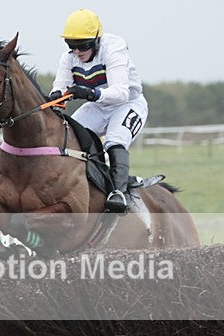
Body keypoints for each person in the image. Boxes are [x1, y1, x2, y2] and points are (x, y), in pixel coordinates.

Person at [49, 8, 148, 213]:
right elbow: (59, 87)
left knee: (115, 138)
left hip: (128, 104)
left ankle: (118, 193)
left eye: (82, 45)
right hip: (99, 106)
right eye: (71, 45)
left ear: (96, 39)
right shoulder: (69, 58)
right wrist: (55, 97)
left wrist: (90, 93)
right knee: (69, 134)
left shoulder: (114, 49)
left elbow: (121, 93)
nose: (77, 51)